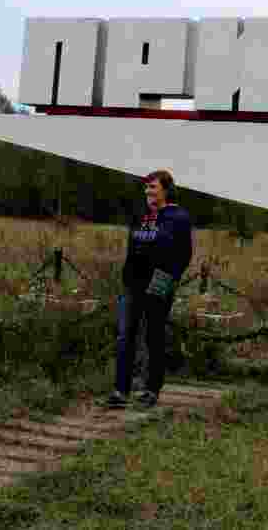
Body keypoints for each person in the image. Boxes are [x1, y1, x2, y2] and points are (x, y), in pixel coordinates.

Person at [105, 169, 193, 409]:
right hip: (133, 283)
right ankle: (120, 391)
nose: (148, 191)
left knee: (153, 336)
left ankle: (150, 390)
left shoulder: (178, 217)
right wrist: (127, 275)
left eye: (152, 187)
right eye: (146, 187)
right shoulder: (140, 216)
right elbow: (132, 247)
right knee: (125, 336)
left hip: (159, 283)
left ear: (165, 189)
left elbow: (184, 254)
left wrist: (168, 279)